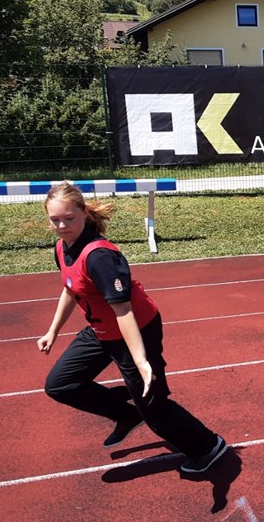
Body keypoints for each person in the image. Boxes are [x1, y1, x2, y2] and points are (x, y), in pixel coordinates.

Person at [37, 181, 227, 474]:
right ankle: (127, 414)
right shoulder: (63, 248)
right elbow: (71, 288)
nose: (62, 226)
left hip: (135, 329)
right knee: (61, 384)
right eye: (55, 220)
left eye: (69, 218)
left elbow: (123, 310)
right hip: (101, 330)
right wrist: (53, 331)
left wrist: (141, 361)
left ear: (84, 212)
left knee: (154, 409)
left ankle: (208, 447)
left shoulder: (100, 257)